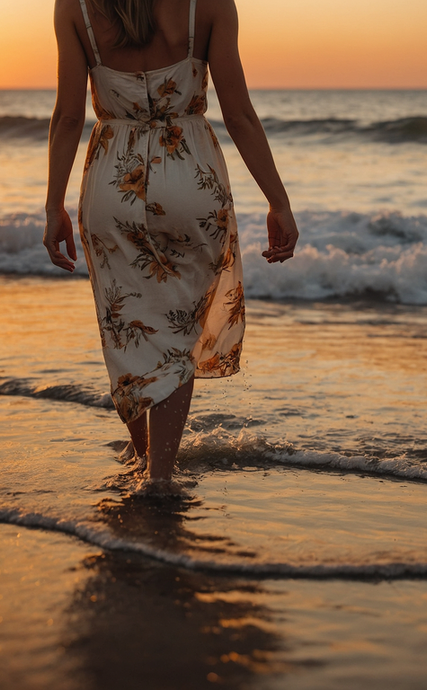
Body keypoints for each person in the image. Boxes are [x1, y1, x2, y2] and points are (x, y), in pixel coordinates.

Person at [44, 0, 299, 486]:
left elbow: (67, 117)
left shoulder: (75, 7)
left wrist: (53, 204)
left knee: (127, 326)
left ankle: (147, 462)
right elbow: (240, 113)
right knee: (177, 332)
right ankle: (159, 475)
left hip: (112, 184)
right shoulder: (211, 6)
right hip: (190, 178)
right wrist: (278, 201)